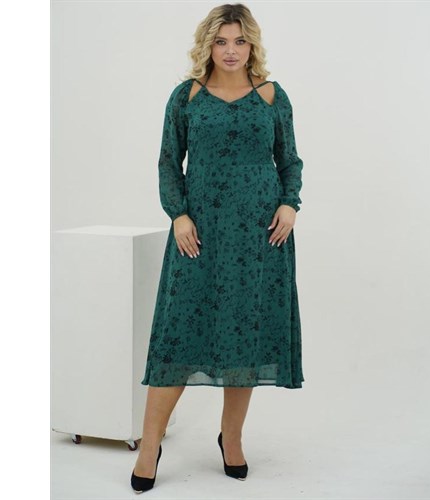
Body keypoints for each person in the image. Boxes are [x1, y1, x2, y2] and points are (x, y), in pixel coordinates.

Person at [131, 3, 304, 492]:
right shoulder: (186, 95)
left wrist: (289, 203)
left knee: (243, 335)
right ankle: (150, 445)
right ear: (208, 44)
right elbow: (169, 162)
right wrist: (178, 214)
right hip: (199, 235)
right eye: (222, 41)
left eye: (240, 41)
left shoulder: (272, 96)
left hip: (259, 236)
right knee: (177, 337)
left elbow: (289, 161)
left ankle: (232, 437)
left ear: (252, 45)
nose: (231, 51)